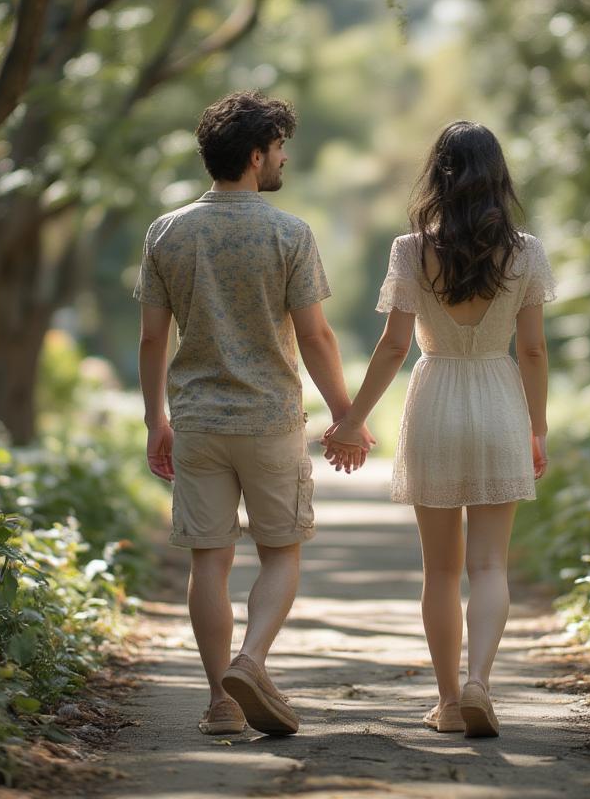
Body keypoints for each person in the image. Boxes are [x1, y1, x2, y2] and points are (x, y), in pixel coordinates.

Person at [134, 91, 373, 738]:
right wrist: (347, 416)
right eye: (278, 148)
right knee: (280, 554)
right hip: (270, 421)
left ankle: (221, 702)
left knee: (208, 561)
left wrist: (156, 419)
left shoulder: (167, 231)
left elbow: (154, 339)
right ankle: (252, 660)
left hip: (198, 423)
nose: (284, 157)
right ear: (255, 154)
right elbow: (318, 337)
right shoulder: (289, 232)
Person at [322, 121, 554, 739]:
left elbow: (395, 346)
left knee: (441, 571)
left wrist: (351, 420)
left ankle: (450, 703)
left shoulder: (409, 250)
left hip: (435, 400)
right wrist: (539, 428)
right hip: (501, 399)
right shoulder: (526, 250)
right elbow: (531, 351)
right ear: (499, 178)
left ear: (438, 177)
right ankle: (480, 681)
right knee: (490, 567)